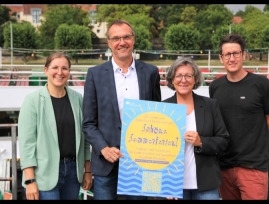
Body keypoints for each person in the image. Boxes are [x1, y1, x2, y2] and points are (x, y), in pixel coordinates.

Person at [82, 19, 161, 200]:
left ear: (133, 39)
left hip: (140, 163)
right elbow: (88, 123)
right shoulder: (95, 74)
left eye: (126, 37)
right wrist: (103, 148)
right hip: (105, 162)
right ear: (109, 42)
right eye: (116, 38)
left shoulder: (150, 73)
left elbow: (157, 118)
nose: (122, 42)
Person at [209, 34, 269, 200]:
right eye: (227, 54)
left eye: (236, 53)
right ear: (221, 58)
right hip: (225, 166)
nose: (232, 58)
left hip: (253, 168)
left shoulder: (262, 84)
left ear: (244, 55)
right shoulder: (215, 87)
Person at [18, 52, 92, 200]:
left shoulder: (77, 99)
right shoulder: (32, 100)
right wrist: (30, 180)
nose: (60, 72)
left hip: (73, 173)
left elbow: (84, 140)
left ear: (69, 72)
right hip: (43, 174)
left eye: (64, 68)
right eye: (55, 68)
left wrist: (87, 171)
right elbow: (27, 144)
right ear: (46, 70)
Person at [163, 57, 229, 200]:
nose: (183, 80)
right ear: (172, 80)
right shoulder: (163, 108)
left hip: (206, 184)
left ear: (195, 79)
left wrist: (201, 142)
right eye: (179, 75)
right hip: (174, 185)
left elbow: (223, 141)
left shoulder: (210, 105)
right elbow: (155, 151)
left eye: (188, 75)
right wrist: (164, 185)